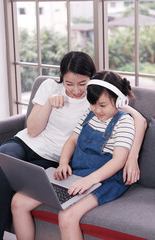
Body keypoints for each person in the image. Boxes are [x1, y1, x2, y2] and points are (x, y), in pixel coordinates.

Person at [0, 51, 146, 239]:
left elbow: (134, 128)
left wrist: (132, 158)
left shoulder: (104, 103)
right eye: (69, 84)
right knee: (6, 184)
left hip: (90, 173)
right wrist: (63, 162)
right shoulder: (85, 104)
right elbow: (57, 136)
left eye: (82, 84)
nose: (76, 90)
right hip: (46, 154)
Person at [11, 71, 138, 240]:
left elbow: (119, 160)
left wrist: (89, 180)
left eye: (102, 105)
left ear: (120, 101)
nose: (97, 110)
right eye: (93, 104)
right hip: (78, 173)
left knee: (67, 217)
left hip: (106, 179)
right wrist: (63, 163)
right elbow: (72, 141)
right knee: (18, 202)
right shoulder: (89, 114)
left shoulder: (124, 121)